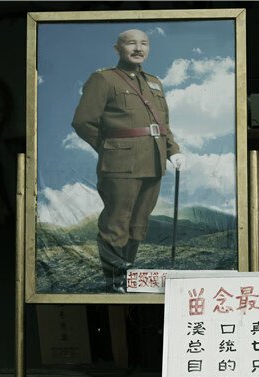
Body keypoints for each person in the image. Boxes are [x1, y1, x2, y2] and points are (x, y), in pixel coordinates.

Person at [72, 29, 185, 292]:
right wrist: (110, 147)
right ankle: (114, 281)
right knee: (117, 222)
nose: (138, 48)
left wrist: (173, 150)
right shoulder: (103, 79)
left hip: (154, 162)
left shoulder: (154, 82)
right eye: (131, 43)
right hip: (120, 164)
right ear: (117, 48)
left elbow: (162, 124)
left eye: (144, 43)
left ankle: (127, 274)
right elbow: (82, 121)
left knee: (138, 224)